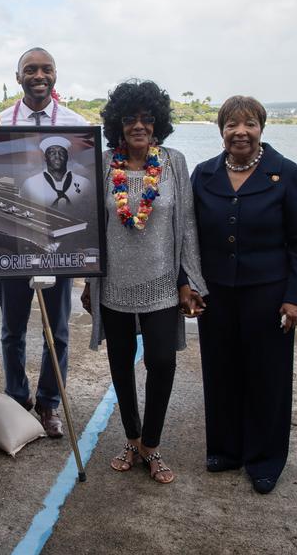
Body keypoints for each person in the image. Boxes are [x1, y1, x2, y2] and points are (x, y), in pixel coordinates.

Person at [81, 80, 206, 483]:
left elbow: (186, 225)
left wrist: (189, 281)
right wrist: (89, 281)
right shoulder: (103, 163)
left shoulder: (173, 161)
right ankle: (132, 439)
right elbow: (92, 227)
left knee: (162, 363)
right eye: (131, 118)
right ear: (117, 123)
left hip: (162, 284)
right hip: (115, 283)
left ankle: (152, 445)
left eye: (147, 119)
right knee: (120, 365)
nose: (139, 126)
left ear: (159, 124)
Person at [191, 96, 297, 494]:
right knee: (220, 370)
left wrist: (296, 296)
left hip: (269, 294)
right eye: (231, 125)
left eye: (249, 124)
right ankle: (225, 449)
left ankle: (265, 458)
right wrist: (188, 283)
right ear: (221, 130)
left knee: (268, 377)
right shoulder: (203, 174)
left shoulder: (288, 174)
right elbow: (188, 238)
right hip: (217, 294)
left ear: (262, 128)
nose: (240, 132)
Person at [0, 47, 88, 438]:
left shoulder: (76, 125)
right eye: (30, 69)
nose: (39, 75)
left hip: (58, 246)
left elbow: (87, 187)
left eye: (45, 69)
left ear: (55, 75)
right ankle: (17, 399)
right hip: (13, 243)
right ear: (18, 77)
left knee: (58, 330)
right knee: (11, 329)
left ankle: (49, 403)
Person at [21, 136, 93, 213]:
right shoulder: (30, 184)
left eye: (61, 152)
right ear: (45, 157)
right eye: (52, 152)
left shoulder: (84, 183)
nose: (57, 156)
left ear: (67, 156)